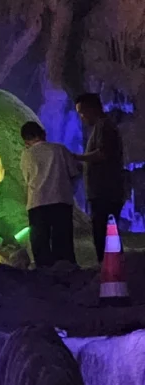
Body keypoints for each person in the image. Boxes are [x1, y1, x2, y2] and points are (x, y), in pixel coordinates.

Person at [74, 93, 127, 262]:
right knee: (103, 233)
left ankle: (109, 269)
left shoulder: (105, 127)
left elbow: (103, 153)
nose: (81, 117)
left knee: (103, 234)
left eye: (82, 112)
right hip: (102, 192)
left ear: (92, 108)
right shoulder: (101, 127)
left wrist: (78, 157)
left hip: (106, 192)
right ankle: (110, 267)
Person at [19, 121, 80, 268]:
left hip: (37, 202)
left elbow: (27, 178)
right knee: (63, 240)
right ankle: (66, 274)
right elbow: (74, 172)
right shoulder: (59, 149)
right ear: (43, 134)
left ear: (26, 140)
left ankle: (44, 277)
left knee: (40, 244)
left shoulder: (27, 155)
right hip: (61, 200)